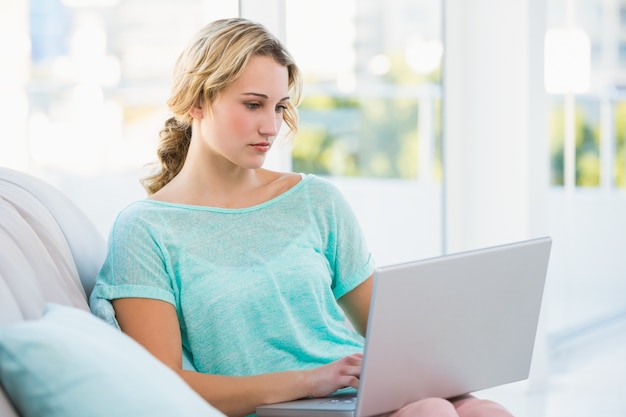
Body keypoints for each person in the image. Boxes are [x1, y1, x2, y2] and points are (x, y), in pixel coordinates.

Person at [91, 17, 515, 417]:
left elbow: (389, 333)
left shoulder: (316, 200)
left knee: (482, 411)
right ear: (197, 101)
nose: (271, 127)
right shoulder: (145, 229)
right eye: (254, 105)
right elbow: (164, 385)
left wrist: (453, 379)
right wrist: (309, 381)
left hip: (350, 395)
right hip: (286, 405)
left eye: (279, 107)